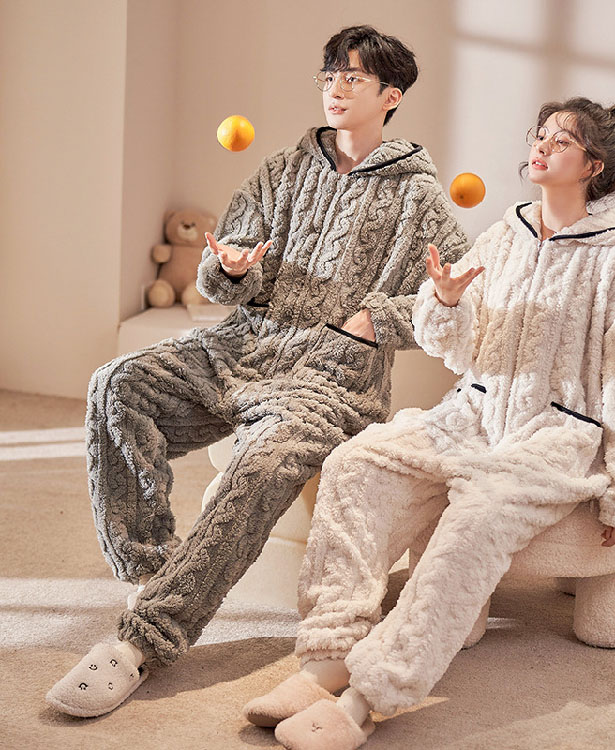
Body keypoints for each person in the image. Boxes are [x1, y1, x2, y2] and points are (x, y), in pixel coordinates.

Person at [46, 25, 468, 719]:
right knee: (116, 384)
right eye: (329, 75)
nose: (335, 88)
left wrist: (375, 319)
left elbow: (452, 299)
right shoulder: (280, 170)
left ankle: (143, 639)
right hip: (241, 348)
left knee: (263, 463)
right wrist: (232, 269)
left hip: (331, 380)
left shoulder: (419, 198)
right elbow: (221, 274)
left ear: (390, 96)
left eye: (353, 78)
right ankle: (152, 571)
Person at [244, 97, 615, 750]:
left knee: (478, 515)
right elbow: (460, 349)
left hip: (552, 436)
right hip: (470, 413)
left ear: (593, 165)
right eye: (540, 135)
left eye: (561, 141)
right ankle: (326, 659)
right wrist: (444, 302)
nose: (541, 146)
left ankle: (366, 697)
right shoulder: (501, 238)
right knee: (355, 462)